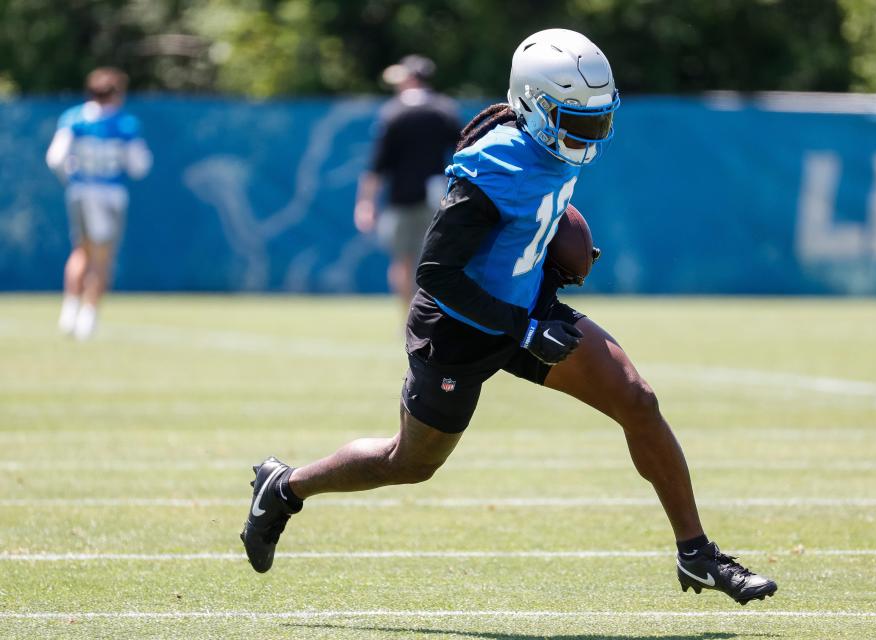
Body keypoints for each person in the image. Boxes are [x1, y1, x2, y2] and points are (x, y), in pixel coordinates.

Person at [242, 29, 777, 605]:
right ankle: (286, 486)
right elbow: (436, 274)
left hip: (525, 309)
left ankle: (697, 554)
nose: (590, 133)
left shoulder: (547, 141)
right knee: (411, 461)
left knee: (637, 402)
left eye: (598, 120)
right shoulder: (490, 169)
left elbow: (531, 209)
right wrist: (523, 328)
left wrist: (552, 245)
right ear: (535, 107)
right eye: (577, 120)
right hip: (460, 329)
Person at [46, 67, 152, 340]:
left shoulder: (73, 118)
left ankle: (69, 311)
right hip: (109, 195)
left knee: (80, 251)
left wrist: (70, 178)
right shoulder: (124, 123)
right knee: (102, 258)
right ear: (116, 93)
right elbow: (139, 166)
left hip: (80, 191)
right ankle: (87, 317)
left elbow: (56, 158)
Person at [353, 54, 461, 310]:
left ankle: (408, 319)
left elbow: (378, 165)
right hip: (437, 199)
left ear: (410, 78)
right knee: (438, 262)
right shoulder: (443, 109)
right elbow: (463, 149)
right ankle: (433, 319)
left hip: (401, 198)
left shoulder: (394, 113)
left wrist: (365, 202)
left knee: (402, 261)